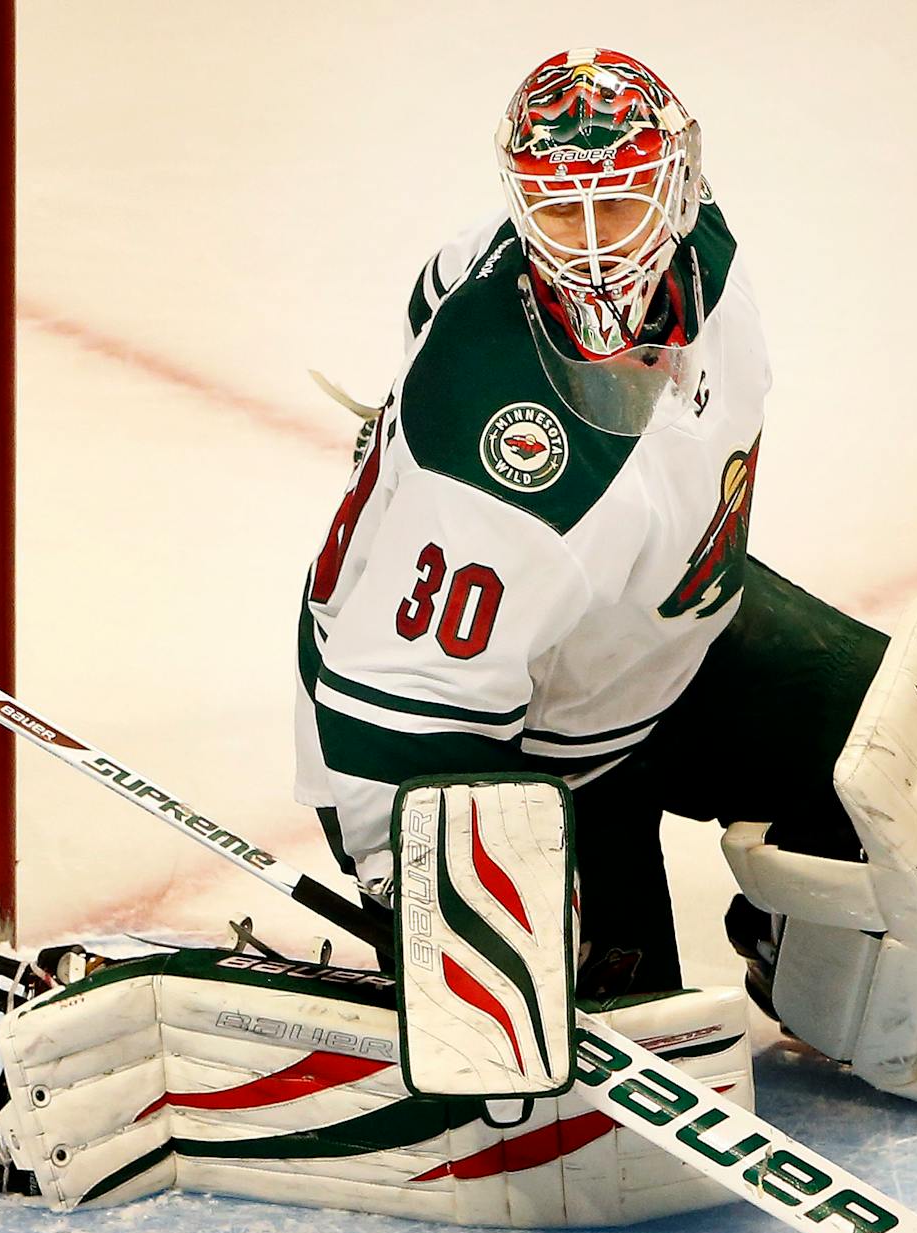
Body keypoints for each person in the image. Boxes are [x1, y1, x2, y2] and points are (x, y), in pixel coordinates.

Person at [294, 48, 886, 1000]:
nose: (594, 246)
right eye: (562, 211)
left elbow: (434, 286)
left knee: (909, 755)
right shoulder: (501, 473)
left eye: (615, 201)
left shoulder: (701, 254)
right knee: (612, 1075)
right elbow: (390, 722)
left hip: (656, 641)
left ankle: (801, 947)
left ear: (682, 182)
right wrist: (435, 901)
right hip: (509, 760)